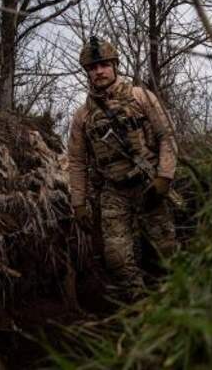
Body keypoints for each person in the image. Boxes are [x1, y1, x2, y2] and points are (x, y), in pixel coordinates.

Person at [68, 36, 178, 297]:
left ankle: (175, 301)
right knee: (117, 259)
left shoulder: (141, 97)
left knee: (166, 251)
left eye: (104, 64)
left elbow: (167, 136)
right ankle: (139, 308)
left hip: (149, 184)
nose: (99, 71)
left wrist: (164, 177)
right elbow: (77, 161)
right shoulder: (82, 115)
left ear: (114, 65)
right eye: (93, 68)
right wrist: (78, 203)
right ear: (87, 73)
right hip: (113, 192)